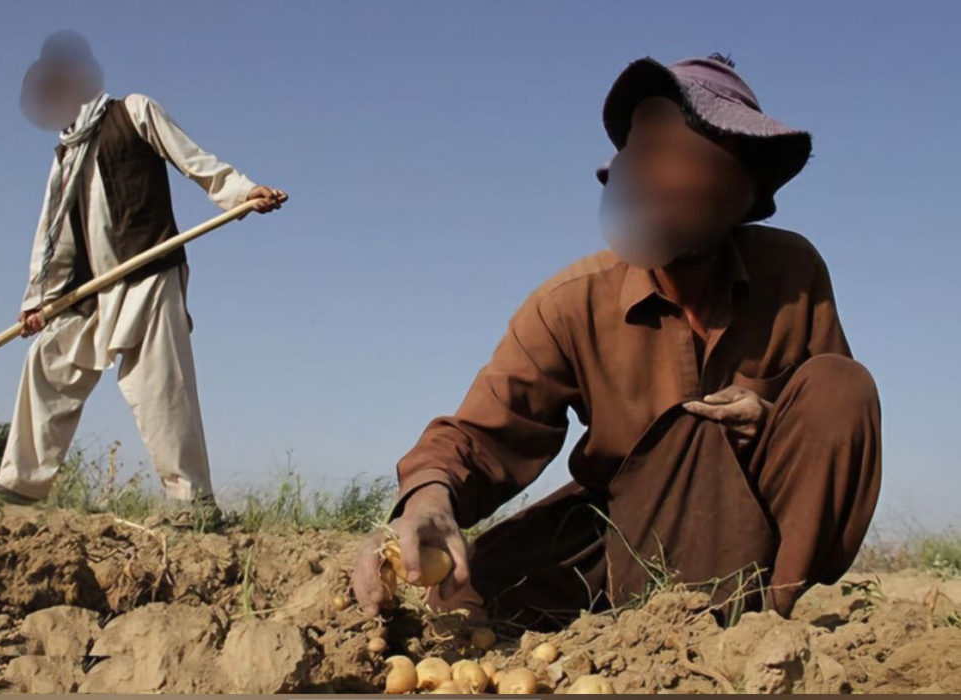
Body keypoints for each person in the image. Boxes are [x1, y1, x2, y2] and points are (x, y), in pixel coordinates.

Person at [352, 53, 881, 629]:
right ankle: (654, 616)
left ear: (739, 195)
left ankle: (769, 626)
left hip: (760, 538)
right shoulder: (571, 302)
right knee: (478, 585)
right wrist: (430, 501)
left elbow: (830, 432)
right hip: (625, 530)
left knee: (840, 385)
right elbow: (484, 434)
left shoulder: (792, 274)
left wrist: (769, 420)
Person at [0, 30, 285, 528]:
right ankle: (20, 482)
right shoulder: (64, 156)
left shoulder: (133, 111)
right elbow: (53, 236)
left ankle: (192, 504)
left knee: (161, 385)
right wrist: (38, 299)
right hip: (88, 290)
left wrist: (242, 193)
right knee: (48, 364)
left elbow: (193, 158)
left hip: (146, 270)